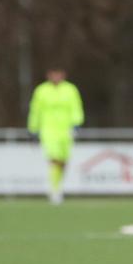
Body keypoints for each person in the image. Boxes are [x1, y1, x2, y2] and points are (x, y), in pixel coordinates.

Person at [27, 67, 84, 205]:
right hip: (48, 130)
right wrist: (33, 128)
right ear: (49, 75)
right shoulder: (41, 91)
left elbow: (76, 107)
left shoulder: (70, 90)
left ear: (63, 75)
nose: (56, 77)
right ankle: (55, 190)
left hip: (65, 131)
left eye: (59, 74)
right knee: (54, 159)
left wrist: (77, 123)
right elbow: (35, 110)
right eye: (53, 74)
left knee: (63, 161)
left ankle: (58, 186)